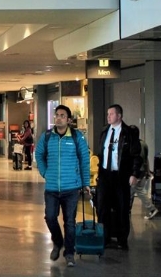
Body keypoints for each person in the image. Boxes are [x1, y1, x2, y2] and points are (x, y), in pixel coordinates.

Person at [35, 105, 90, 267]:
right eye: (57, 115)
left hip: (71, 187)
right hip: (52, 188)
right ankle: (58, 242)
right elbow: (39, 154)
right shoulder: (47, 137)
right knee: (50, 217)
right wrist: (45, 172)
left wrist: (86, 183)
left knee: (70, 222)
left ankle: (70, 253)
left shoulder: (76, 137)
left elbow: (84, 160)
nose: (58, 118)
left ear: (69, 120)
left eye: (62, 115)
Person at [94, 104, 143, 250]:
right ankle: (105, 237)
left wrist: (134, 173)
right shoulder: (104, 131)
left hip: (121, 175)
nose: (108, 116)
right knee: (102, 206)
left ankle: (122, 239)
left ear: (119, 116)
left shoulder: (129, 132)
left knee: (121, 207)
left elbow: (136, 155)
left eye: (111, 114)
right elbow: (101, 152)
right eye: (108, 114)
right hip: (105, 174)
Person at [129, 129, 158, 220]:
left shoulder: (137, 145)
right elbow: (146, 159)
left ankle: (152, 209)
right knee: (131, 190)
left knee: (137, 190)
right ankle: (127, 209)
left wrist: (139, 172)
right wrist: (147, 171)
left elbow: (140, 159)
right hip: (141, 171)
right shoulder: (143, 143)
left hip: (137, 172)